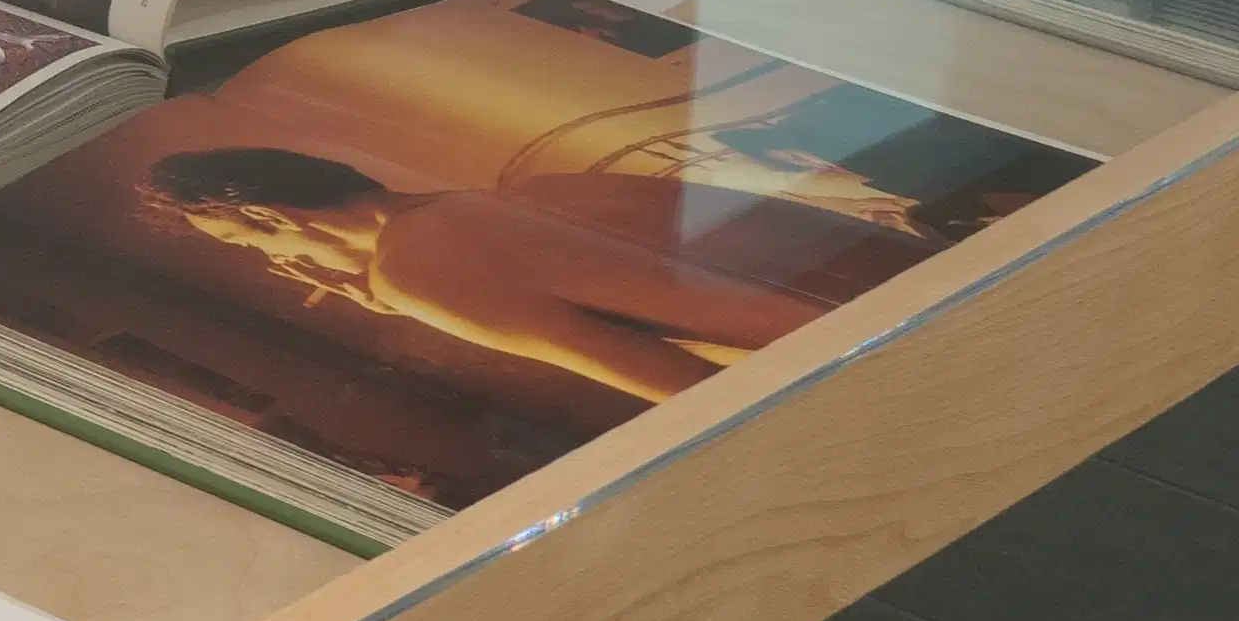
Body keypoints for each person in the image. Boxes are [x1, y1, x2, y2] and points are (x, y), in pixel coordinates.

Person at [143, 144, 829, 407]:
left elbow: (695, 394)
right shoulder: (543, 188)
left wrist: (403, 295)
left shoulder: (417, 270)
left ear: (270, 213)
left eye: (244, 242)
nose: (273, 264)